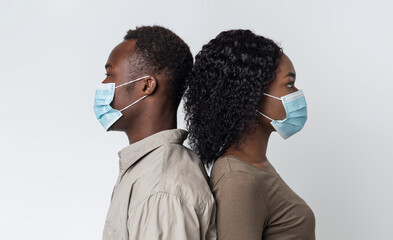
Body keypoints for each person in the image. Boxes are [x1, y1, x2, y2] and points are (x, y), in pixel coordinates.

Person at [184, 29, 315, 239]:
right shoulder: (237, 179)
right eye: (289, 84)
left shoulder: (252, 168)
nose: (297, 93)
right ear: (251, 94)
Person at [94, 25, 216, 240]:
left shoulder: (162, 189)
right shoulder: (149, 170)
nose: (103, 85)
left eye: (109, 75)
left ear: (147, 85)